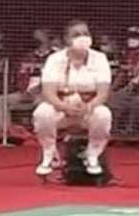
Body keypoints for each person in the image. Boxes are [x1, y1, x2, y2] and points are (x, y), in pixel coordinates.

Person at [33, 20, 113, 176]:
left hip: (88, 108)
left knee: (104, 114)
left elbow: (103, 93)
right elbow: (48, 92)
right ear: (67, 39)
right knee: (42, 112)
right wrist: (64, 107)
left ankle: (92, 155)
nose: (82, 38)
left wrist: (89, 106)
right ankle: (49, 154)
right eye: (76, 35)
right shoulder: (54, 59)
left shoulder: (100, 58)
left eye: (85, 34)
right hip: (61, 108)